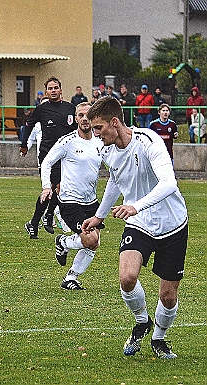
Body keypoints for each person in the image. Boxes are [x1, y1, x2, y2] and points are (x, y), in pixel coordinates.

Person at [83, 96, 188, 359]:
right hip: (139, 224)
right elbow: (116, 180)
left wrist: (135, 206)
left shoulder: (149, 141)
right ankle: (142, 321)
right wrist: (100, 216)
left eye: (98, 128)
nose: (95, 134)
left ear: (114, 122)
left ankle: (159, 339)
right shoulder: (106, 150)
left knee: (168, 297)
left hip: (172, 223)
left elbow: (169, 184)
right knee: (127, 278)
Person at [40, 102, 103, 290]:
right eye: (81, 115)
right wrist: (46, 187)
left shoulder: (100, 141)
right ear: (75, 118)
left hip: (91, 201)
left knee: (94, 242)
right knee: (90, 239)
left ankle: (71, 277)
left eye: (88, 115)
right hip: (70, 201)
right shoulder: (67, 141)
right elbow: (47, 162)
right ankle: (64, 242)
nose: (84, 119)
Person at [20, 76, 77, 239]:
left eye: (55, 88)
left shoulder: (69, 108)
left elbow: (77, 129)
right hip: (48, 155)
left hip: (67, 155)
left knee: (60, 190)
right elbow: (28, 125)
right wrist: (24, 144)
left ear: (61, 90)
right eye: (50, 88)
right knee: (55, 188)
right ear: (46, 91)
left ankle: (36, 221)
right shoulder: (42, 109)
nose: (53, 91)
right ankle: (47, 216)